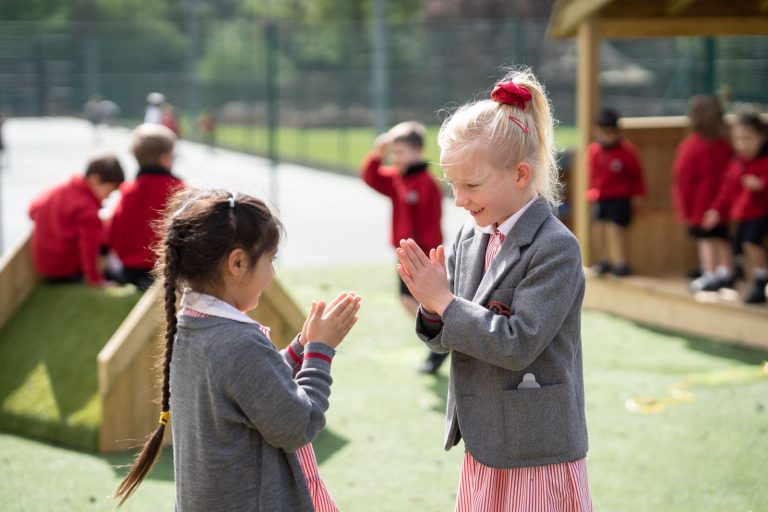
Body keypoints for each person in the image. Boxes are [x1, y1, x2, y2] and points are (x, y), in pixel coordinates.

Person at [396, 69, 592, 510]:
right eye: (452, 184)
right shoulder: (473, 232)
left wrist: (444, 301)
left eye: (470, 185)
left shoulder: (555, 247)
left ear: (521, 174)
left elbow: (518, 343)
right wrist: (432, 306)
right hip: (485, 438)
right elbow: (451, 327)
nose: (459, 198)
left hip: (534, 445)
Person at [113, 188, 361, 510]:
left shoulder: (192, 323)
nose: (272, 273)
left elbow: (253, 391)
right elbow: (297, 425)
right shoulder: (238, 341)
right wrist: (321, 351)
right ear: (238, 262)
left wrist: (300, 348)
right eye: (270, 260)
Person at [360, 121, 444, 373]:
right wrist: (379, 152)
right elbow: (371, 177)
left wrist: (427, 256)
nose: (395, 158)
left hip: (420, 255)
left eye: (400, 153)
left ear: (417, 151)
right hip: (404, 253)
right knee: (408, 300)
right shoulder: (398, 177)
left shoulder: (426, 184)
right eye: (393, 153)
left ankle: (441, 341)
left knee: (416, 300)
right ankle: (440, 341)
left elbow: (431, 224)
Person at [107, 123, 184, 290]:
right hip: (164, 270)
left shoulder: (128, 190)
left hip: (130, 270)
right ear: (165, 158)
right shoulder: (178, 189)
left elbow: (114, 229)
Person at [28, 155, 124, 286]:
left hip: (44, 267)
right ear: (95, 180)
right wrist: (95, 280)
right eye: (109, 191)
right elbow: (89, 247)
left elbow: (32, 211)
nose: (108, 198)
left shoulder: (56, 190)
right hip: (67, 270)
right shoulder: (87, 208)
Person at [703, 113, 768, 304]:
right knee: (740, 248)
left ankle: (761, 278)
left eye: (748, 138)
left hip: (761, 213)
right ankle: (755, 281)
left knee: (751, 242)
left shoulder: (764, 161)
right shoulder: (736, 164)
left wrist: (763, 184)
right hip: (742, 215)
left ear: (761, 137)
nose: (743, 144)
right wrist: (716, 210)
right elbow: (726, 191)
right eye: (739, 139)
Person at [672, 96, 735, 292]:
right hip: (723, 204)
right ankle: (726, 272)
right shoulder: (725, 145)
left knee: (706, 239)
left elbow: (682, 179)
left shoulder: (690, 146)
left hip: (700, 205)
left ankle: (709, 274)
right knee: (721, 237)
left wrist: (684, 208)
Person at [587, 107, 645, 277]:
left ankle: (621, 263)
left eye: (609, 132)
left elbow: (637, 175)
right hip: (601, 196)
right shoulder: (595, 151)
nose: (606, 136)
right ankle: (603, 261)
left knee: (616, 229)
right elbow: (592, 175)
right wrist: (591, 192)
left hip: (620, 197)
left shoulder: (627, 151)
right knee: (598, 229)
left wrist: (638, 195)